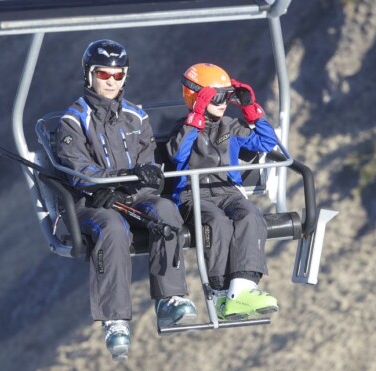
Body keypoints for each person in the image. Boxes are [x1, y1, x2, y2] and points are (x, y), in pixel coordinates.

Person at [55, 39, 196, 360]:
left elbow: (147, 159)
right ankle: (115, 319)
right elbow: (77, 167)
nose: (111, 81)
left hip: (134, 195)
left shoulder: (136, 116)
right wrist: (107, 183)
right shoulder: (74, 120)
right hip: (93, 201)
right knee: (113, 229)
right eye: (103, 74)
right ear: (89, 75)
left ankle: (169, 299)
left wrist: (145, 175)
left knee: (165, 210)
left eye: (118, 76)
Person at [167, 63, 279, 321]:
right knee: (216, 222)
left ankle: (243, 287)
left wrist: (251, 110)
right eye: (216, 96)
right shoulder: (183, 128)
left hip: (227, 190)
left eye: (228, 95)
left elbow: (266, 142)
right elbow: (177, 155)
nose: (224, 102)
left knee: (250, 214)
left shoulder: (230, 126)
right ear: (196, 96)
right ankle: (220, 291)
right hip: (192, 194)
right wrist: (195, 118)